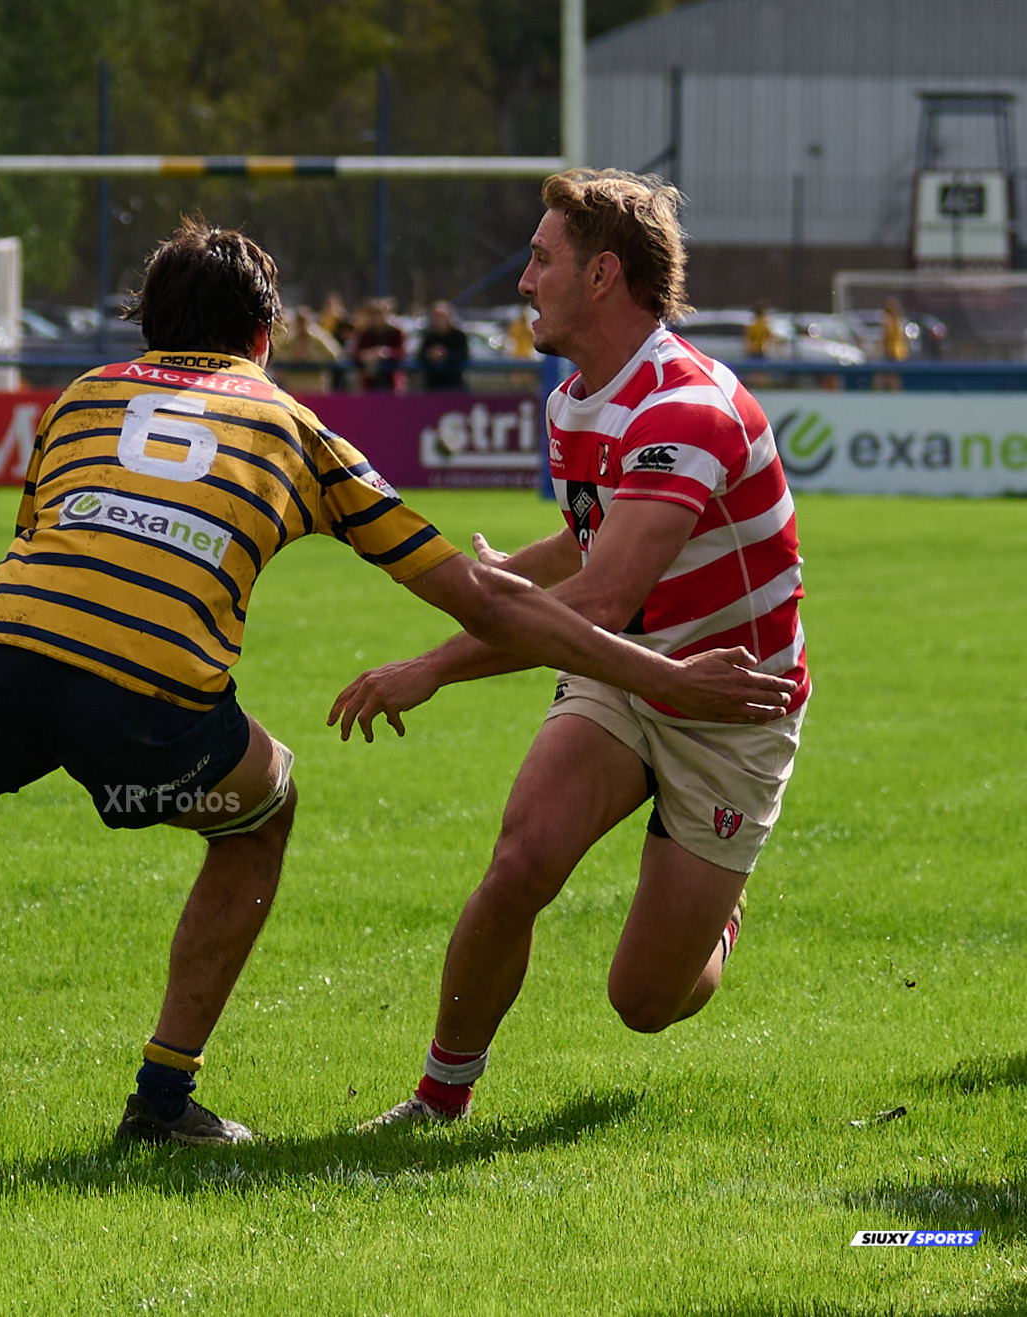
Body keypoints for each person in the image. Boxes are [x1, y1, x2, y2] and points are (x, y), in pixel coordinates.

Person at [0, 215, 792, 1174]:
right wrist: (651, 673)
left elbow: (36, 549)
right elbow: (491, 601)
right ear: (266, 336)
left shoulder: (76, 401)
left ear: (145, 327)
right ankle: (163, 1099)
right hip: (152, 695)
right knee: (266, 810)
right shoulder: (295, 426)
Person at [332, 168, 809, 1129]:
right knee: (519, 865)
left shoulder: (686, 409)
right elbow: (591, 541)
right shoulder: (573, 401)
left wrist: (431, 665)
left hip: (731, 708)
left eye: (540, 259)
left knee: (645, 1002)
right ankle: (437, 1099)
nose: (524, 281)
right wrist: (519, 566)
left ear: (601, 276)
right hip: (622, 677)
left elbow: (598, 596)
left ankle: (713, 919)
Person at [351, 297, 406, 392]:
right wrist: (366, 355)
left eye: (380, 313)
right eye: (373, 314)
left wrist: (386, 353)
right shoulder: (364, 333)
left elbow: (401, 353)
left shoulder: (396, 332)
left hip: (392, 385)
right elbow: (355, 354)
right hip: (369, 385)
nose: (377, 317)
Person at [415, 300, 470, 390]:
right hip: (432, 386)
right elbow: (420, 355)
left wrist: (445, 354)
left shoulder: (459, 336)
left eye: (442, 316)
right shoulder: (429, 336)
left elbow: (463, 355)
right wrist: (430, 354)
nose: (439, 319)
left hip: (453, 386)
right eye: (436, 316)